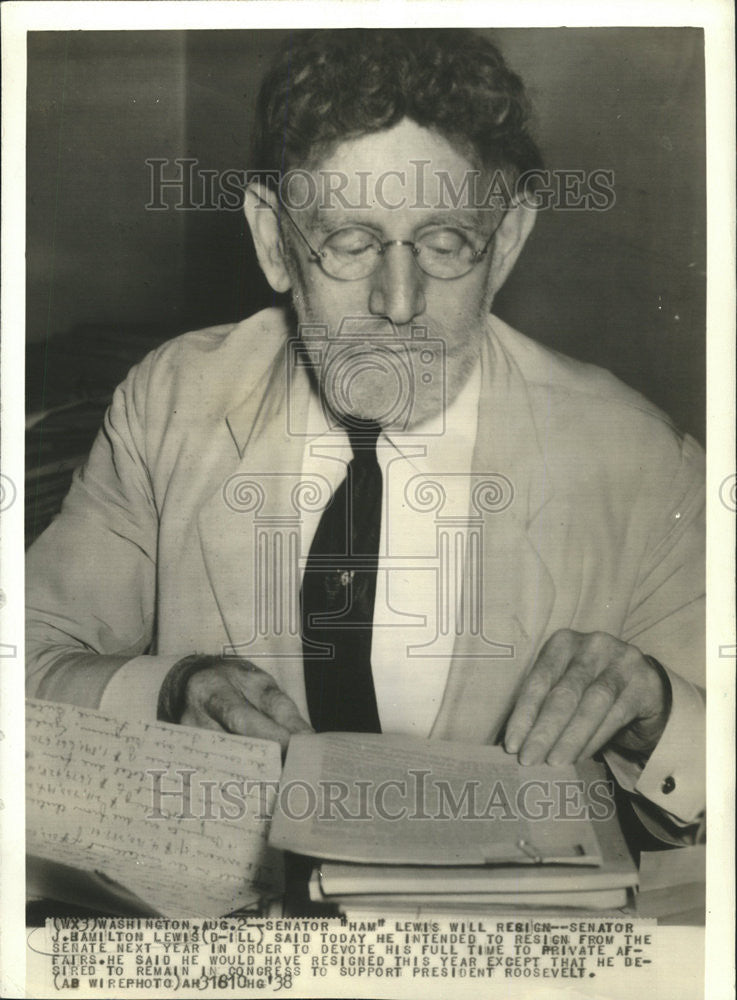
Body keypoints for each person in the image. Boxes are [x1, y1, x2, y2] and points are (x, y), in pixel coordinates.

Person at [26, 29, 704, 844]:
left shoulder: (638, 459)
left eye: (446, 243)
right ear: (275, 241)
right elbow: (25, 663)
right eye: (349, 242)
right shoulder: (172, 402)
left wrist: (662, 710)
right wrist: (167, 692)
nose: (398, 301)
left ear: (509, 241)